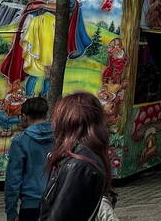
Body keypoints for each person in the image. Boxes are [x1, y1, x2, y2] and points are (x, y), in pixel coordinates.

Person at [39, 92, 114, 221]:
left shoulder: (79, 164)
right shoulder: (84, 157)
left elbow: (61, 216)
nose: (53, 124)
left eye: (56, 118)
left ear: (69, 121)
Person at [5, 97, 52, 221]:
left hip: (30, 206)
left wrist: (11, 212)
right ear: (45, 115)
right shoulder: (59, 139)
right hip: (56, 203)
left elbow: (13, 180)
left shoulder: (20, 142)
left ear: (24, 116)